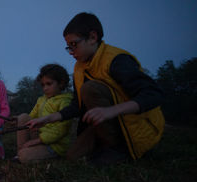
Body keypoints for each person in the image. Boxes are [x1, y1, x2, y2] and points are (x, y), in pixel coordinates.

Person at [27, 12, 165, 165]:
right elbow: (77, 106)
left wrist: (111, 111)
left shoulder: (116, 60)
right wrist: (49, 118)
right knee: (73, 157)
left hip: (134, 126)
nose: (71, 52)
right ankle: (104, 145)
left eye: (74, 45)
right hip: (103, 124)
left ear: (93, 37)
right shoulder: (79, 67)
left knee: (90, 88)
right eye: (68, 47)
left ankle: (118, 149)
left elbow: (153, 94)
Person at [15, 64, 73, 163]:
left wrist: (36, 141)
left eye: (49, 84)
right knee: (24, 117)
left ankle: (27, 154)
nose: (45, 88)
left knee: (24, 156)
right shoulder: (41, 100)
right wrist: (16, 119)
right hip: (39, 136)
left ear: (61, 83)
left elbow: (60, 130)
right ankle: (21, 150)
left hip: (54, 145)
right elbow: (31, 117)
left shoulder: (65, 102)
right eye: (43, 85)